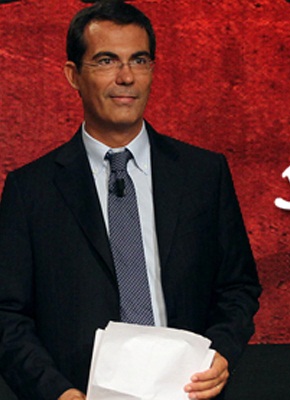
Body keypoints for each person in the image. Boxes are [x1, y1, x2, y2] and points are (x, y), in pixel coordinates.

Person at [0, 1, 261, 399]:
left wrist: (221, 352)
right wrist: (57, 393)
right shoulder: (30, 190)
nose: (126, 77)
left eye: (139, 61)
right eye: (106, 61)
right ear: (73, 75)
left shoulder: (203, 175)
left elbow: (238, 287)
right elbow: (7, 314)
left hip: (188, 393)